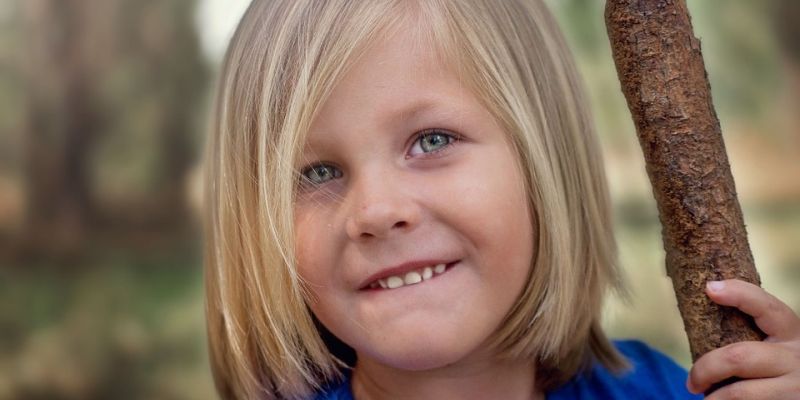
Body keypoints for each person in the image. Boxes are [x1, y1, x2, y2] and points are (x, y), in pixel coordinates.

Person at [203, 1, 800, 399]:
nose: (376, 210)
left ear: (543, 161)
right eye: (316, 172)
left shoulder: (671, 391)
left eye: (430, 140)